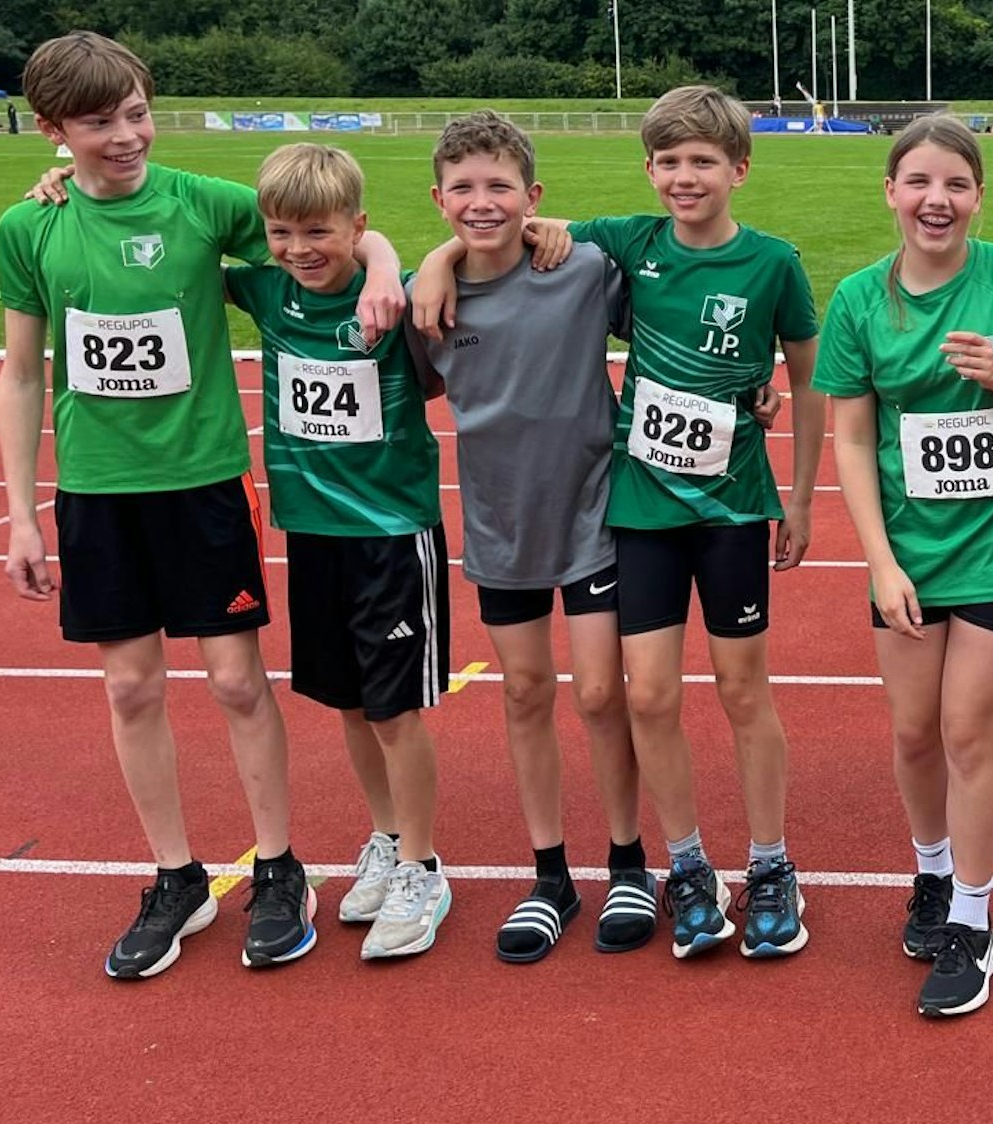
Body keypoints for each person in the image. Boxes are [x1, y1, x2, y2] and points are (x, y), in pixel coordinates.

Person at [0, 32, 401, 978]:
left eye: (136, 112)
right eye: (100, 123)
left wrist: (382, 262)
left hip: (203, 483)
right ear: (55, 132)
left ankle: (277, 866)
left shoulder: (200, 203)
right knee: (131, 687)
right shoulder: (31, 227)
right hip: (98, 491)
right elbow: (20, 374)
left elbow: (333, 222)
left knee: (232, 682)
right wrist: (22, 512)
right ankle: (174, 877)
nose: (128, 135)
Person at [418, 87, 824, 963]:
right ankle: (668, 866)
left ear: (738, 170)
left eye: (702, 161)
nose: (684, 177)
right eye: (669, 163)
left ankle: (760, 864)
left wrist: (794, 477)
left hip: (708, 503)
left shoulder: (745, 262)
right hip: (625, 509)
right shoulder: (619, 245)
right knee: (641, 695)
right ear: (648, 171)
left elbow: (801, 371)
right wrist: (428, 260)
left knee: (711, 691)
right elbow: (504, 224)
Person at [815, 115, 993, 1017]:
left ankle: (971, 915)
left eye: (955, 184)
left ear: (977, 195)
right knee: (915, 731)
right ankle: (930, 871)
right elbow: (850, 438)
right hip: (907, 555)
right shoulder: (857, 298)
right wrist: (878, 563)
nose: (937, 200)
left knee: (966, 733)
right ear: (890, 192)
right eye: (919, 182)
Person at [407, 111, 657, 964]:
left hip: (589, 511)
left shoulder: (581, 267)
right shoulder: (428, 298)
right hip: (499, 524)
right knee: (522, 692)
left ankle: (629, 862)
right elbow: (405, 395)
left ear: (533, 196)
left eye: (500, 186)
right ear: (439, 200)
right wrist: (427, 267)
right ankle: (549, 873)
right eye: (465, 189)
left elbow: (666, 325)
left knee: (597, 693)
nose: (483, 203)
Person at [221, 144, 452, 959]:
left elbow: (456, 272)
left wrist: (386, 259)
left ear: (356, 225)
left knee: (394, 710)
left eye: (317, 231)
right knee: (351, 704)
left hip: (390, 534)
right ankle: (386, 839)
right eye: (280, 232)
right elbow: (173, 244)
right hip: (312, 531)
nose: (297, 249)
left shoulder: (395, 292)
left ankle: (424, 866)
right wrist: (60, 184)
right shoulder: (265, 289)